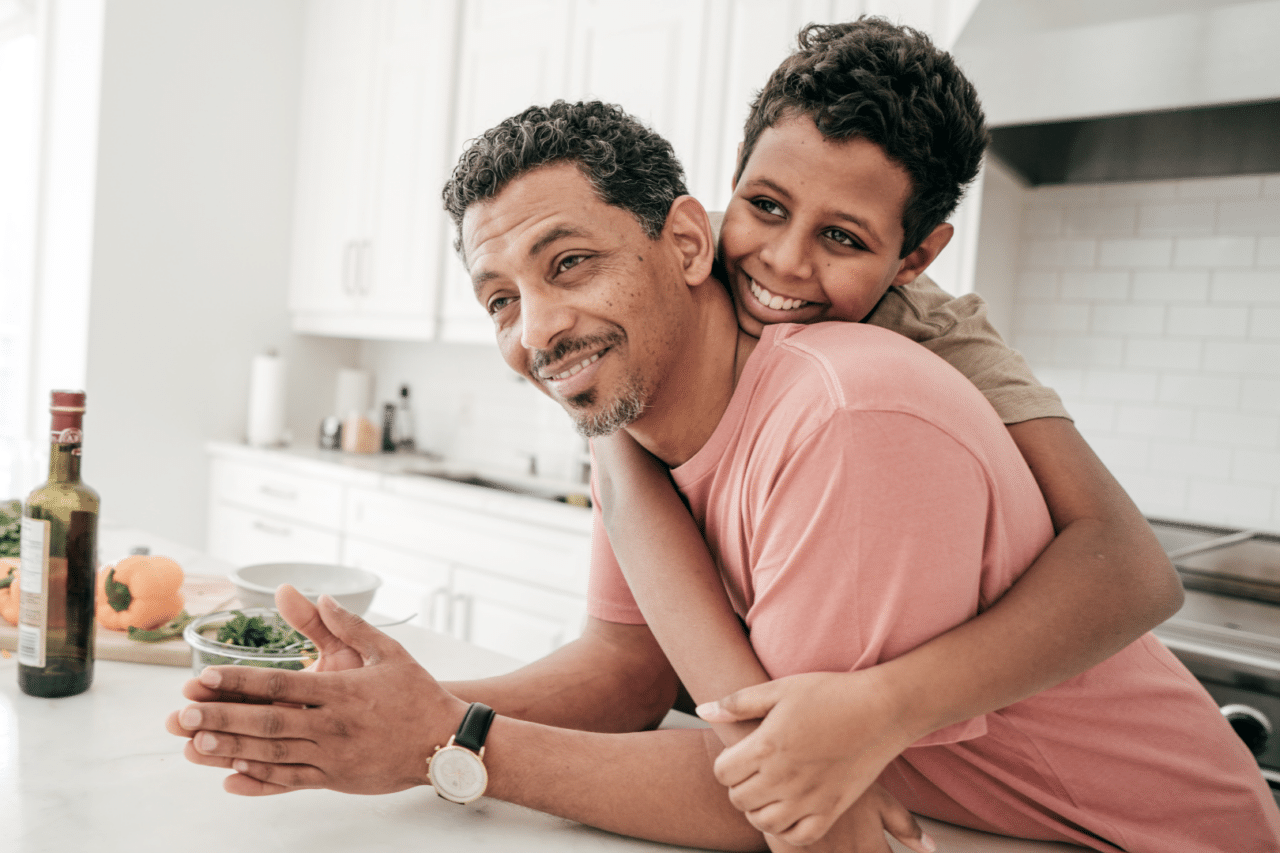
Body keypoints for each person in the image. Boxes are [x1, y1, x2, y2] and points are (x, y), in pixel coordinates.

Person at [169, 99, 1280, 852]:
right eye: (501, 297)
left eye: (569, 263)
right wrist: (371, 714)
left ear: (687, 244)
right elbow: (628, 668)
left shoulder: (850, 415)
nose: (537, 330)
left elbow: (773, 792)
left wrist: (448, 747)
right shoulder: (632, 420)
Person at [586, 17, 1200, 850]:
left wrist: (881, 708)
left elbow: (1135, 569)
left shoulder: (930, 337)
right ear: (731, 182)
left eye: (843, 237)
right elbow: (641, 651)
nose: (783, 262)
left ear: (915, 256)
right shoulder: (694, 307)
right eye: (765, 206)